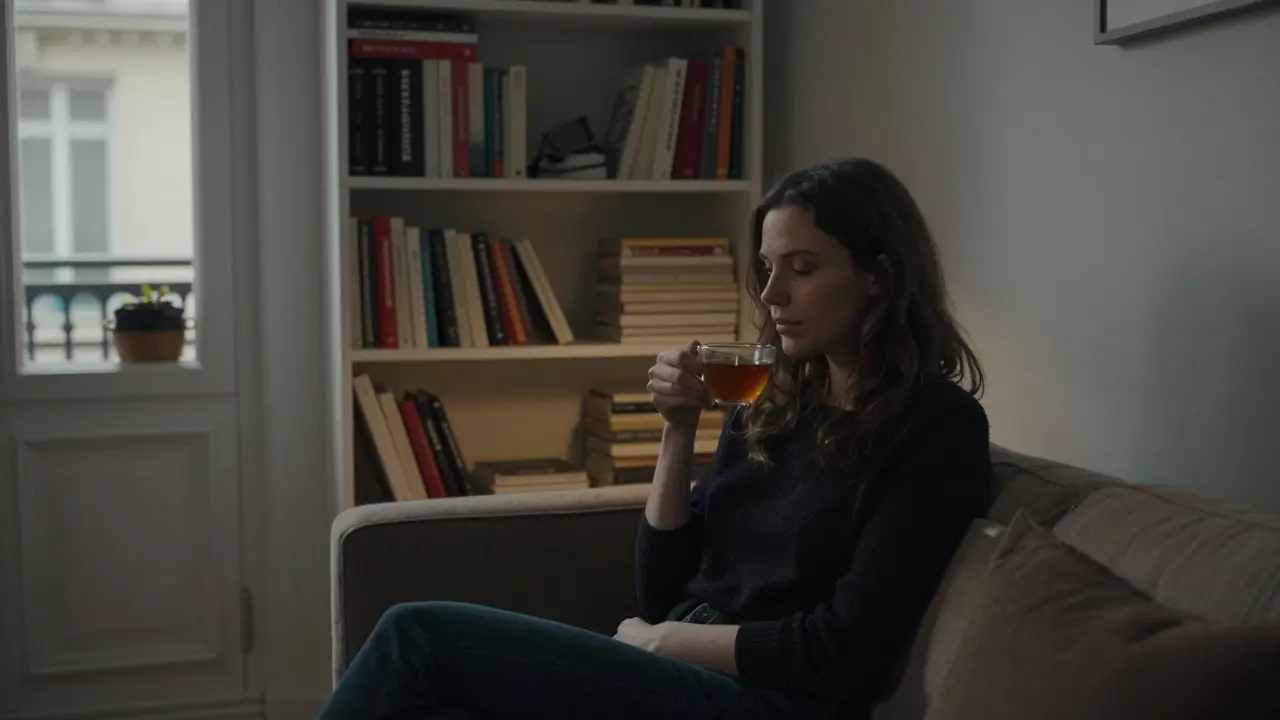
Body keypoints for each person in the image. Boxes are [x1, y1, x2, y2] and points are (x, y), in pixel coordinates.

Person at [316, 157, 993, 720]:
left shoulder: (935, 427)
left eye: (803, 268)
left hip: (773, 698)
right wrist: (677, 430)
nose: (772, 294)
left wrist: (666, 642)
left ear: (879, 277)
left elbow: (846, 649)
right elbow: (662, 587)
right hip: (686, 664)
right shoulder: (773, 401)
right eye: (766, 268)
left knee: (415, 635)